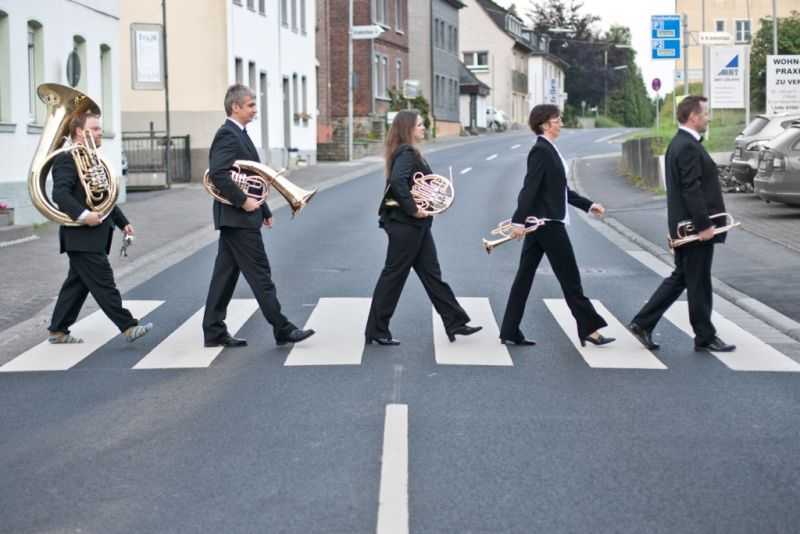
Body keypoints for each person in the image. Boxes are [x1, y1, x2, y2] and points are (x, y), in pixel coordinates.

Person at [202, 84, 314, 347]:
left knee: (224, 277)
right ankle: (282, 328)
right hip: (237, 219)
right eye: (251, 105)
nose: (255, 110)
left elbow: (253, 176)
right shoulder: (227, 135)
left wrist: (263, 208)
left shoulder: (240, 133)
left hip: (238, 218)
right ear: (236, 107)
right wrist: (243, 202)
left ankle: (213, 330)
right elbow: (218, 174)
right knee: (260, 275)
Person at [499, 104, 615, 348]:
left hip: (542, 223)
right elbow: (530, 188)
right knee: (570, 278)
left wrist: (588, 205)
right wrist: (518, 221)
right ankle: (590, 328)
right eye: (557, 119)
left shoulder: (550, 150)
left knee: (524, 277)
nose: (561, 122)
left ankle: (509, 329)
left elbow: (560, 191)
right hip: (548, 225)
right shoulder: (541, 151)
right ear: (544, 124)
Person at [365, 110, 482, 345]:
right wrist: (413, 209)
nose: (423, 128)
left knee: (431, 274)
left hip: (415, 225)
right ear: (408, 128)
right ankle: (376, 330)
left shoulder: (407, 152)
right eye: (419, 125)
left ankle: (455, 322)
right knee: (393, 276)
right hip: (406, 224)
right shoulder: (407, 152)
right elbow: (398, 182)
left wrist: (437, 203)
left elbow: (414, 185)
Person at [628, 96, 735, 353]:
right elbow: (691, 189)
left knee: (686, 278)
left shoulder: (681, 142)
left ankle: (648, 324)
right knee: (695, 280)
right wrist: (703, 225)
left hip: (685, 225)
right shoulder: (687, 146)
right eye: (706, 113)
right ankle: (701, 335)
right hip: (693, 227)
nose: (709, 118)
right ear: (693, 117)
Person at [48, 112, 153, 344]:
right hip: (81, 235)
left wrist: (122, 221)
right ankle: (128, 326)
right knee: (104, 283)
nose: (99, 133)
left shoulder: (94, 159)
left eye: (98, 129)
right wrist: (84, 216)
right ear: (78, 131)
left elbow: (105, 198)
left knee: (76, 285)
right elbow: (60, 194)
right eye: (94, 129)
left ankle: (58, 329)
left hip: (92, 235)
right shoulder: (66, 159)